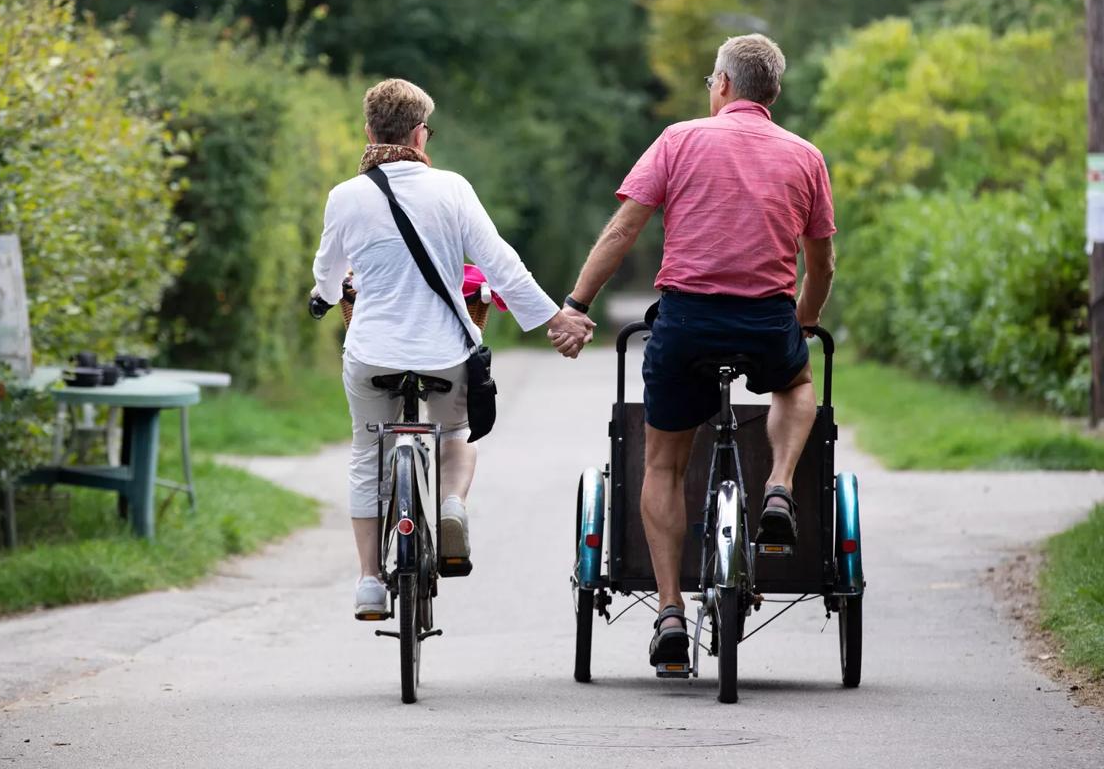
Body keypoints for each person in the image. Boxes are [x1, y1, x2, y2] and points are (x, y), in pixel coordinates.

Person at [549, 34, 836, 671]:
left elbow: (624, 228)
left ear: (725, 85)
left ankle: (671, 612)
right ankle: (781, 487)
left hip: (687, 323)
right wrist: (802, 324)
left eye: (712, 80)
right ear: (774, 94)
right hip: (765, 322)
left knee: (663, 467)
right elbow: (821, 264)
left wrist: (577, 303)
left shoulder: (679, 140)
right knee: (794, 384)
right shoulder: (806, 156)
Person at [312, 77, 594, 619]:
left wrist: (322, 299)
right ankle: (450, 505)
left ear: (369, 130)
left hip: (372, 352)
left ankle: (370, 581)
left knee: (368, 453)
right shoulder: (453, 189)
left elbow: (327, 274)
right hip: (445, 354)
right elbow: (501, 263)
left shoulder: (345, 197)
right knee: (457, 433)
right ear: (421, 134)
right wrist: (556, 320)